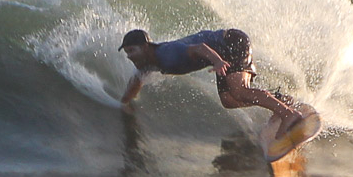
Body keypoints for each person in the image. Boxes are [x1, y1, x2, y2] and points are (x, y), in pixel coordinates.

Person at [118, 28, 304, 137]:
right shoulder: (148, 63)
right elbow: (136, 80)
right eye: (127, 53)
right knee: (229, 101)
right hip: (221, 52)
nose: (129, 57)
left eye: (132, 51)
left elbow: (199, 48)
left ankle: (288, 114)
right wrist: (124, 102)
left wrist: (217, 61)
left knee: (239, 91)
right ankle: (280, 99)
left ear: (145, 47)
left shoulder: (168, 54)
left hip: (231, 42)